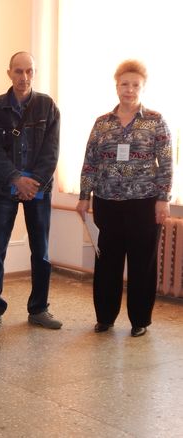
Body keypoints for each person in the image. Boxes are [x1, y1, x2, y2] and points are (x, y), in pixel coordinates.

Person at [76, 60, 172, 337]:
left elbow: (166, 163)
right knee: (108, 263)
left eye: (135, 85)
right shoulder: (102, 123)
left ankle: (140, 320)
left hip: (144, 203)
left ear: (143, 87)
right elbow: (90, 162)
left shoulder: (155, 120)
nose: (129, 89)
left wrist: (163, 198)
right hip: (107, 202)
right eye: (124, 84)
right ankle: (105, 317)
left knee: (142, 263)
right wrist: (84, 196)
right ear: (116, 86)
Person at [0, 51, 61, 331]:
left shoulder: (47, 106)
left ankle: (39, 309)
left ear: (34, 73)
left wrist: (33, 181)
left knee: (41, 252)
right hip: (4, 188)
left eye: (29, 71)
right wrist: (17, 179)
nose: (24, 77)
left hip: (38, 188)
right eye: (18, 71)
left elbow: (52, 150)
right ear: (9, 73)